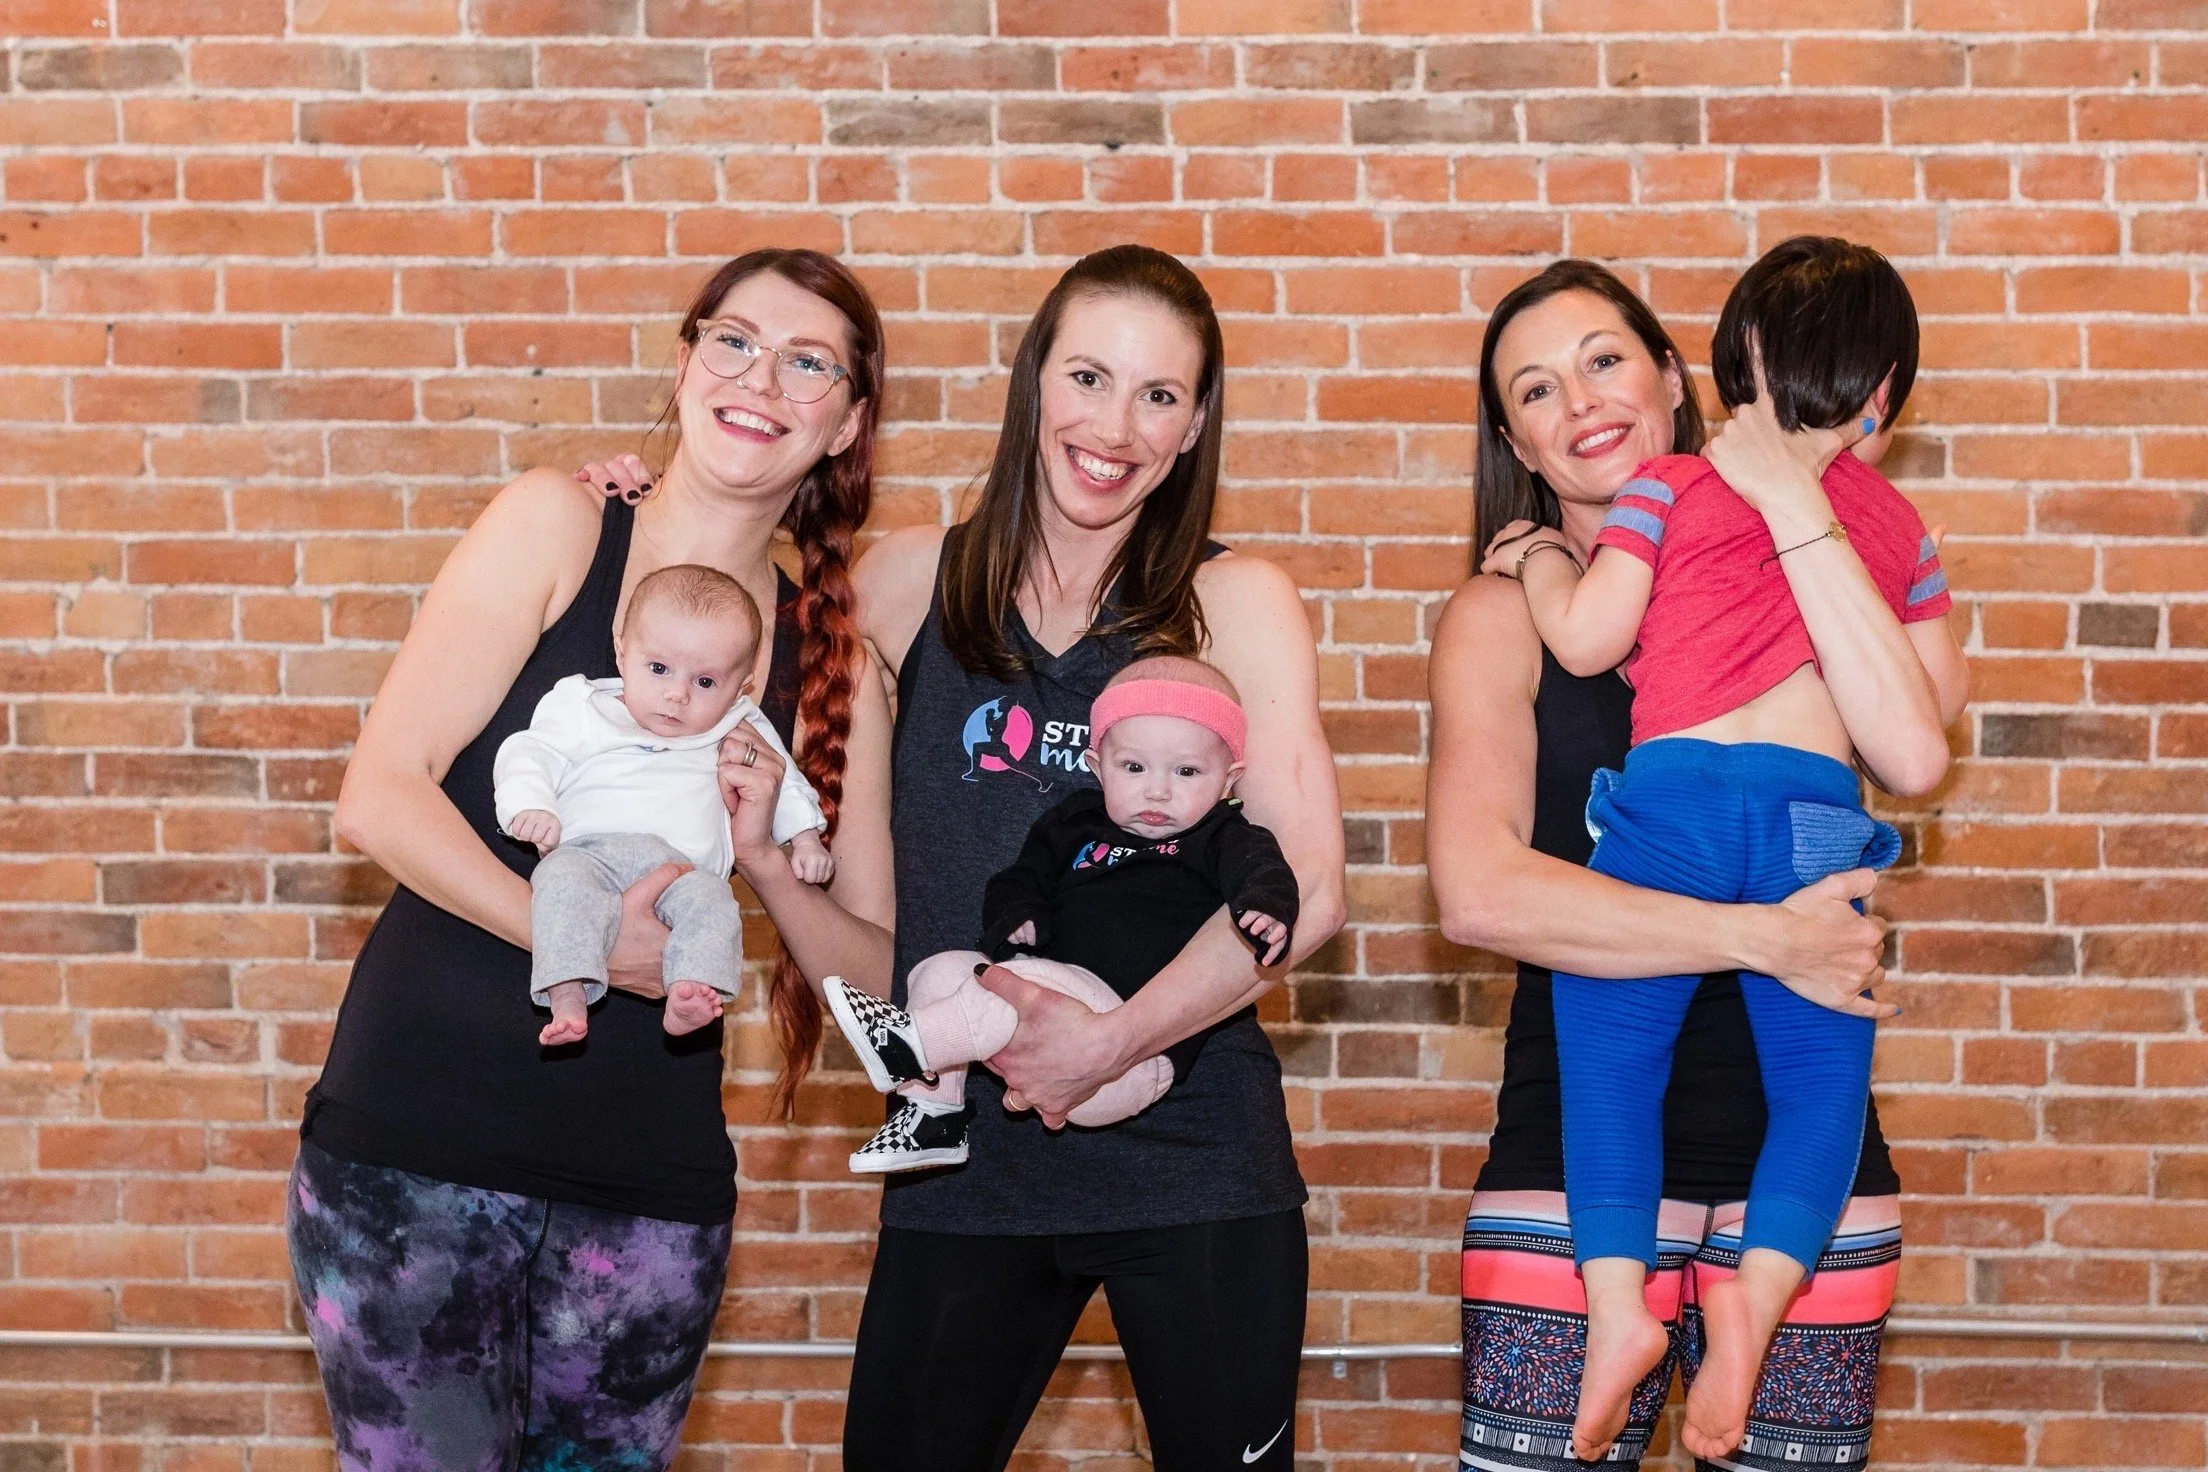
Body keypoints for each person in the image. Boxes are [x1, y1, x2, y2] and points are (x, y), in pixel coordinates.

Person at [594, 243, 1343, 1468]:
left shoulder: (1237, 601)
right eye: (1088, 377)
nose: (1115, 426)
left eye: (1159, 394)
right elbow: (708, 622)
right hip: (964, 1171)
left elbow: (1305, 892)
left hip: (1195, 1161)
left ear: (1197, 422)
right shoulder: (904, 585)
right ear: (1035, 378)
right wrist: (631, 503)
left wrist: (1112, 1040)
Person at [288, 247, 894, 1472]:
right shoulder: (557, 521)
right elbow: (379, 795)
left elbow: (874, 971)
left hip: (649, 1192)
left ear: (846, 423)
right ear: (683, 363)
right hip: (415, 1150)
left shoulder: (837, 660)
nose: (760, 379)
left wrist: (771, 864)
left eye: (807, 363)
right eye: (735, 341)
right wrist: (588, 942)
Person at [1428, 259, 1969, 1472]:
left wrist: (1802, 511)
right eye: (1535, 388)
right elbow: (1477, 893)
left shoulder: (1769, 522)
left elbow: (1920, 737)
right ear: (1514, 440)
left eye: (1602, 360)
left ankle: (1704, 1297)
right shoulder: (1500, 612)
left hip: (1796, 1166)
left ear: (1682, 377)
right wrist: (1768, 938)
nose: (1579, 400)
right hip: (1566, 1167)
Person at [823, 654, 1299, 1171]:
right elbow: (1018, 880)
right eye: (1133, 767)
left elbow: (1265, 874)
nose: (1158, 790)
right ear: (1098, 767)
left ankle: (909, 1045)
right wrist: (1019, 915)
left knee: (1012, 985)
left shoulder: (1223, 836)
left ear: (1228, 780)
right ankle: (932, 1115)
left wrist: (1267, 909)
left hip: (1129, 1057)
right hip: (1053, 1015)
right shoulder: (1074, 824)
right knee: (940, 970)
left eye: (1187, 771)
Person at [496, 562, 832, 1046]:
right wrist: (529, 805)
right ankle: (566, 991)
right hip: (587, 854)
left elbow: (783, 782)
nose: (677, 695)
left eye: (705, 682)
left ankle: (689, 991)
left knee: (714, 903)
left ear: (742, 687)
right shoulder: (584, 706)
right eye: (659, 669)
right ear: (622, 652)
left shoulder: (737, 725)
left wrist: (805, 838)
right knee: (560, 887)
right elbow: (530, 753)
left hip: (684, 870)